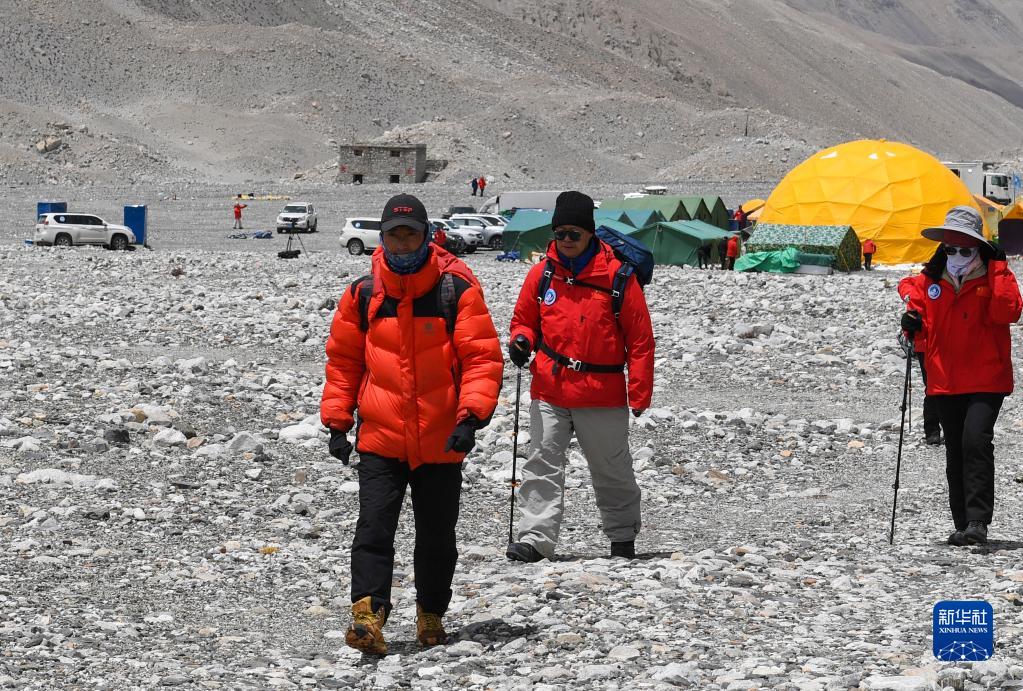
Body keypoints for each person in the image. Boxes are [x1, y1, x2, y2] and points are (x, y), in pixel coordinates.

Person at [321, 193, 503, 654]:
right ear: (382, 238)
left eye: (411, 234)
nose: (402, 243)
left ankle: (431, 615)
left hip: (442, 438)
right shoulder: (364, 294)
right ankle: (367, 617)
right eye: (394, 235)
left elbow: (481, 359)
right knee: (373, 529)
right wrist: (337, 422)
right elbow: (343, 363)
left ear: (426, 236)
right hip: (381, 437)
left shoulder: (455, 290)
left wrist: (472, 417)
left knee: (437, 535)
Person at [505, 190, 655, 563]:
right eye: (560, 233)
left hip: (601, 392)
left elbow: (640, 340)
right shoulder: (542, 274)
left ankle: (622, 537)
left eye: (574, 233)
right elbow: (524, 320)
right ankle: (535, 539)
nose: (567, 239)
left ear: (590, 232)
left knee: (611, 468)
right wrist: (521, 341)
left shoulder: (619, 278)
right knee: (541, 462)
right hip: (549, 387)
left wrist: (639, 394)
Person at [899, 206, 1021, 546]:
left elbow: (1009, 311)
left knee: (975, 442)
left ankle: (978, 521)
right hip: (945, 378)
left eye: (964, 250)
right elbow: (914, 305)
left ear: (979, 247)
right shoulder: (932, 278)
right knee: (955, 448)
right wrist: (911, 322)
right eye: (950, 249)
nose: (956, 256)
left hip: (986, 378)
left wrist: (998, 268)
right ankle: (963, 523)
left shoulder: (994, 276)